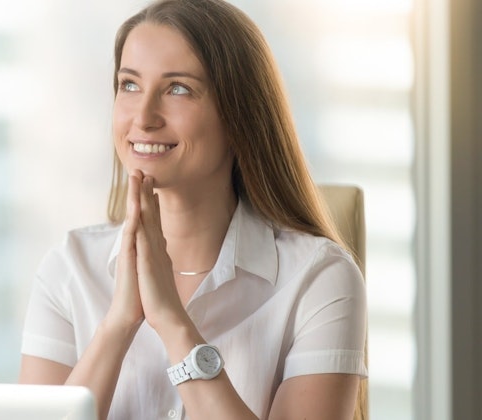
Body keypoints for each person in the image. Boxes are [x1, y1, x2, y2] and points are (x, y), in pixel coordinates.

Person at [18, 0, 367, 419]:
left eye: (177, 89)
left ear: (241, 116)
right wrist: (118, 324)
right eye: (129, 85)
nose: (143, 117)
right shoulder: (68, 269)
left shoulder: (318, 280)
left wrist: (171, 321)